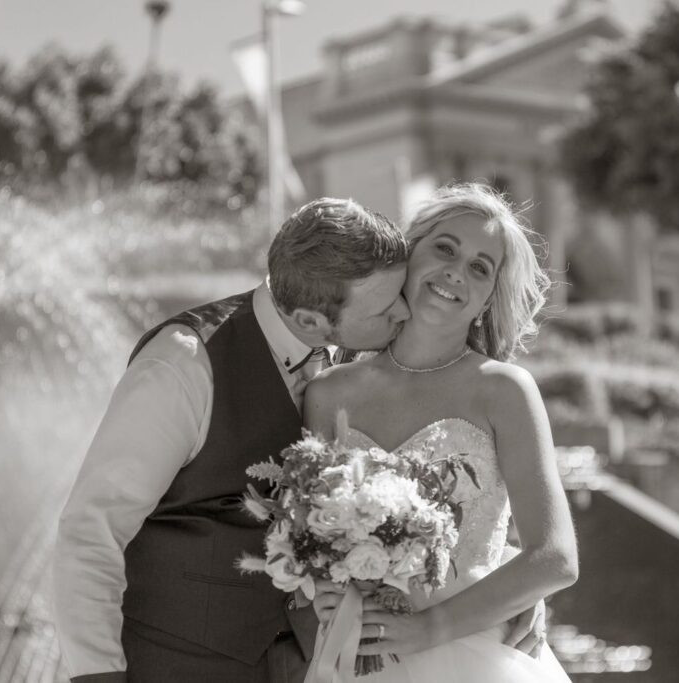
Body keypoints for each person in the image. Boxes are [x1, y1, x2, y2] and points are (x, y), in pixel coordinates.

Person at [52, 196, 545, 683]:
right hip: (178, 664)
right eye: (384, 307)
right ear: (312, 321)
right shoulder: (183, 366)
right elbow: (90, 533)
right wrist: (97, 676)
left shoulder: (337, 358)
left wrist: (503, 588)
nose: (401, 311)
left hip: (311, 664)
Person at [304, 183, 579, 681]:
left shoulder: (505, 391)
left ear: (487, 300)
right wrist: (319, 587)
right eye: (444, 248)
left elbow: (556, 558)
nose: (456, 270)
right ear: (409, 254)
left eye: (480, 267)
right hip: (354, 655)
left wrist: (429, 629)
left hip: (473, 657)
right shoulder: (327, 394)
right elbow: (309, 534)